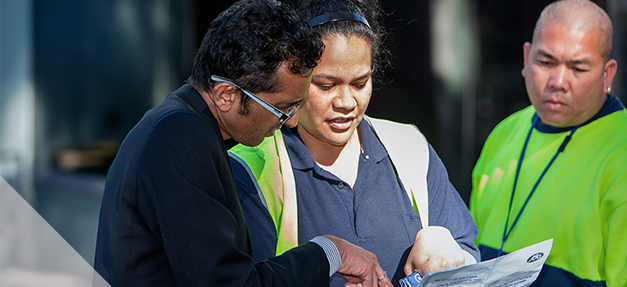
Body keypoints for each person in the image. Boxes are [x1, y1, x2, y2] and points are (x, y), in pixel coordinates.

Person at [94, 0, 395, 286]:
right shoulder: (180, 138)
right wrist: (330, 252)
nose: (290, 121)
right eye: (282, 108)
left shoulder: (184, 127)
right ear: (227, 95)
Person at [228, 0, 480, 286]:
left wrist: (450, 252)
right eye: (326, 85)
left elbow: (473, 261)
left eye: (360, 83)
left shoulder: (411, 147)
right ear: (294, 79)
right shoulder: (251, 168)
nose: (346, 102)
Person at [469, 0, 626, 286]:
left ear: (608, 75)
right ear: (526, 58)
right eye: (546, 62)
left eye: (578, 68)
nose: (558, 81)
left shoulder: (621, 152)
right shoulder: (504, 132)